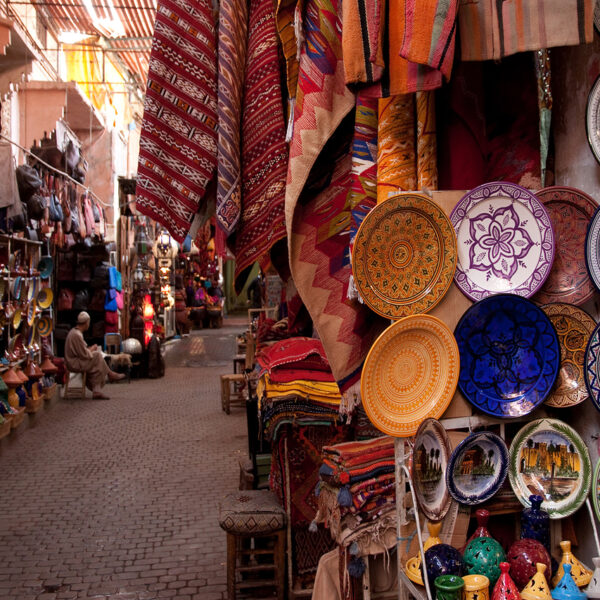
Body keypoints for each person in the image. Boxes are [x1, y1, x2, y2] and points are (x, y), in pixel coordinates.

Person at [64, 312, 125, 400]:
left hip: (75, 361)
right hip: (74, 363)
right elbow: (84, 354)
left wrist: (90, 349)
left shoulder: (75, 332)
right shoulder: (77, 335)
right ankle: (110, 374)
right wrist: (92, 348)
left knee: (97, 363)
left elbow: (81, 351)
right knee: (97, 356)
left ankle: (99, 389)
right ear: (86, 322)